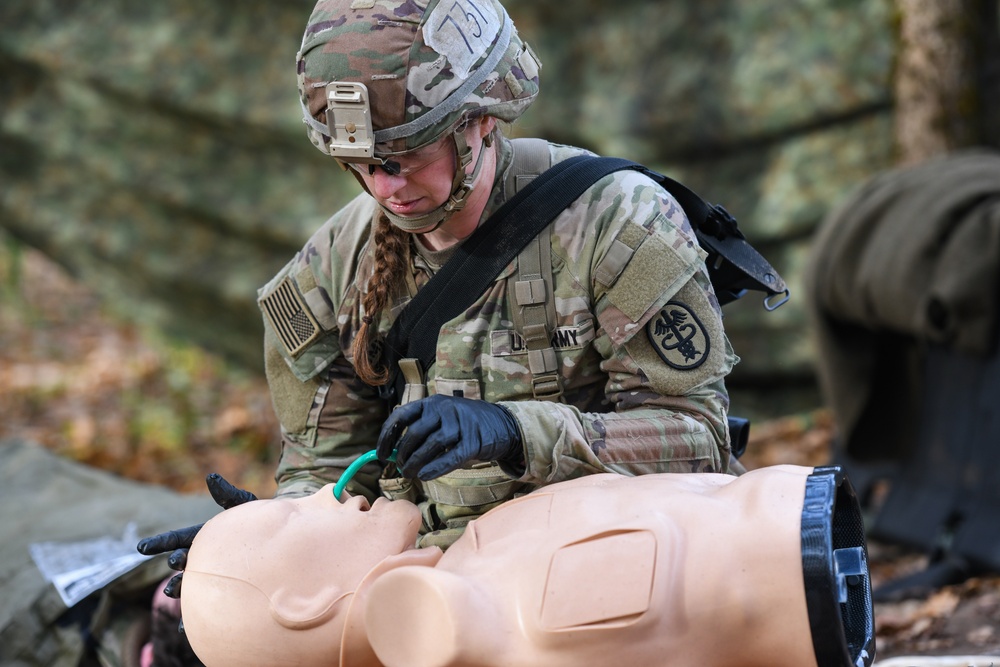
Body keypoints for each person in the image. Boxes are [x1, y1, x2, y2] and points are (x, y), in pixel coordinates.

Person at [139, 0, 739, 601]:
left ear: (481, 121)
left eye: (406, 159)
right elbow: (330, 471)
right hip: (428, 600)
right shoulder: (331, 269)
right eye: (364, 163)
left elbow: (696, 441)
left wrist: (513, 431)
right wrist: (272, 536)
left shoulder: (616, 222)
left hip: (616, 577)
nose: (386, 187)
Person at [178, 465, 875, 667]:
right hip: (805, 583)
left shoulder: (475, 566)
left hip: (804, 527)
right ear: (306, 603)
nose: (321, 495)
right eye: (289, 516)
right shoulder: (490, 614)